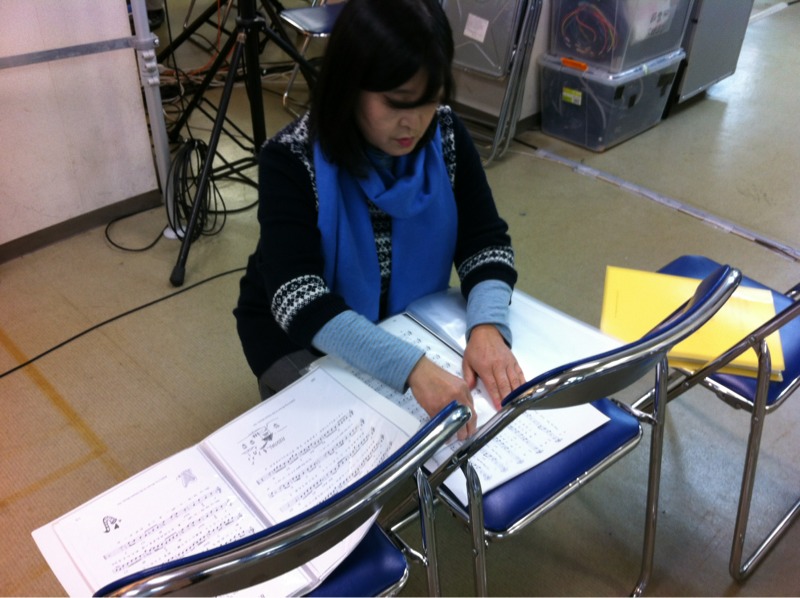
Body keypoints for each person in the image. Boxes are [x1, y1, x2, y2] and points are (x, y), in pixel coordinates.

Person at [234, 0, 524, 439]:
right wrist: (411, 368)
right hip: (297, 338)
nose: (415, 122)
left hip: (405, 323)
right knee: (353, 446)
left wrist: (486, 326)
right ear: (349, 86)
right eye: (397, 103)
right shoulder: (292, 158)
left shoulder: (445, 133)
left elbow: (484, 242)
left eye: (430, 100)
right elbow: (297, 297)